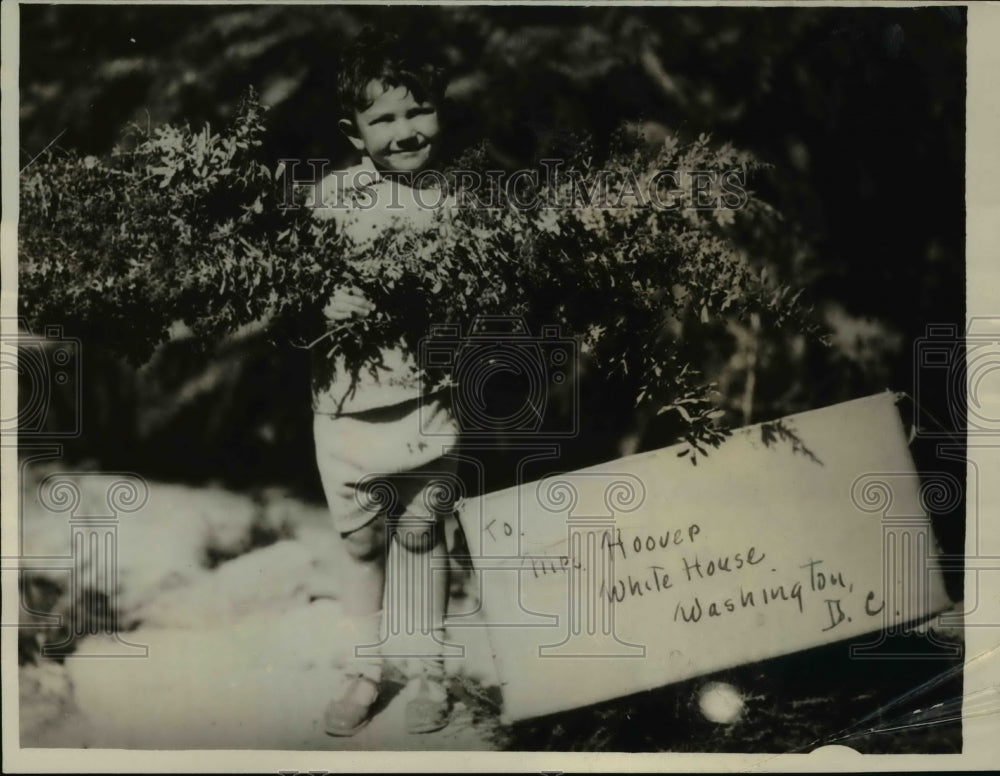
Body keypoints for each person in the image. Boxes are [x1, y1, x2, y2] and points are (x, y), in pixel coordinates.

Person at [309, 28, 461, 737]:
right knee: (363, 546)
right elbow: (293, 289)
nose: (404, 131)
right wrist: (326, 300)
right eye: (385, 118)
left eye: (418, 110)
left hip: (426, 406)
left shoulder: (455, 201)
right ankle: (364, 667)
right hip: (347, 412)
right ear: (354, 130)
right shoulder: (331, 198)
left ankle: (429, 667)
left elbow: (476, 298)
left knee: (423, 536)